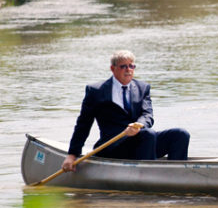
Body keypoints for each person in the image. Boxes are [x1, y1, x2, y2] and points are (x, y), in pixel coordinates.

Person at [61, 50, 190, 172]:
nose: (128, 70)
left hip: (143, 140)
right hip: (113, 147)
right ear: (113, 68)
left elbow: (147, 115)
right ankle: (149, 176)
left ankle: (175, 174)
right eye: (123, 66)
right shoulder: (96, 91)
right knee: (148, 135)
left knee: (180, 134)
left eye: (131, 66)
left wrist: (137, 126)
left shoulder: (142, 87)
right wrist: (72, 155)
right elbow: (83, 124)